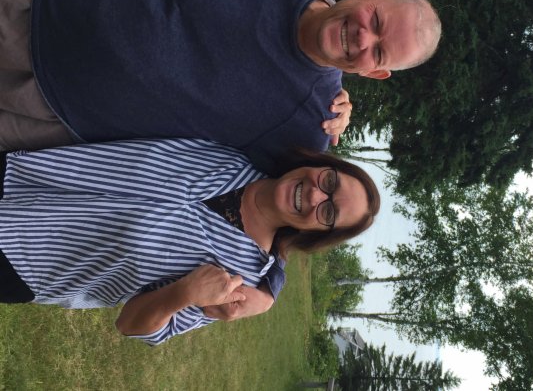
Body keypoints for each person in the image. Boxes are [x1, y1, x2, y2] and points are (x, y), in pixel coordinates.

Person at [0, 0, 441, 172]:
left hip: (46, 114)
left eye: (378, 50)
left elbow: (273, 216)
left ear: (374, 72)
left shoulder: (308, 126)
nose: (363, 37)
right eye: (376, 20)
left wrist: (270, 282)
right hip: (31, 0)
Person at [0, 138, 380, 345]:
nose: (315, 195)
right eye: (330, 182)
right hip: (23, 175)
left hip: (26, 262)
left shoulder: (242, 280)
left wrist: (182, 294)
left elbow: (131, 325)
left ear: (318, 233)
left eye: (328, 212)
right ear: (323, 165)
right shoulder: (242, 147)